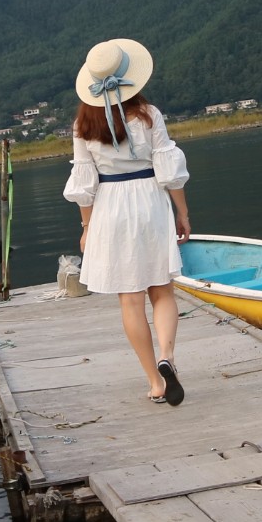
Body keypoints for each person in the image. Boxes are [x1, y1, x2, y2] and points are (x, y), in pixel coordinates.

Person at [63, 38, 193, 405]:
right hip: (149, 200)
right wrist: (181, 212)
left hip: (110, 207)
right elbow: (169, 171)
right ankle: (168, 357)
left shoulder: (82, 124)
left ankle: (155, 381)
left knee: (130, 300)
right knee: (162, 290)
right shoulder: (149, 114)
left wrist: (87, 228)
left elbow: (84, 184)